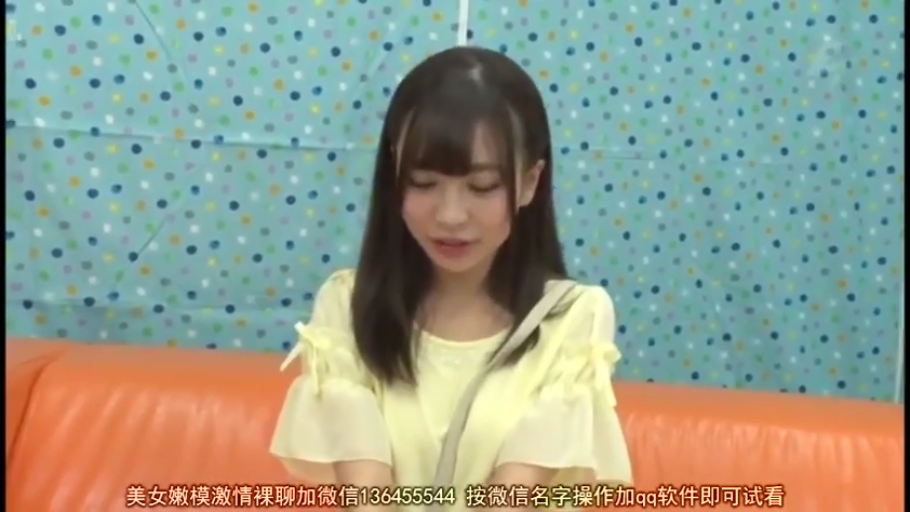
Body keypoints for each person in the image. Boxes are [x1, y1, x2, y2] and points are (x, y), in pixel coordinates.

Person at [269, 46, 632, 511]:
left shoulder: (573, 317)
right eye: (424, 183)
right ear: (395, 175)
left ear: (529, 183)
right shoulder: (347, 305)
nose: (451, 215)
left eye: (482, 187)